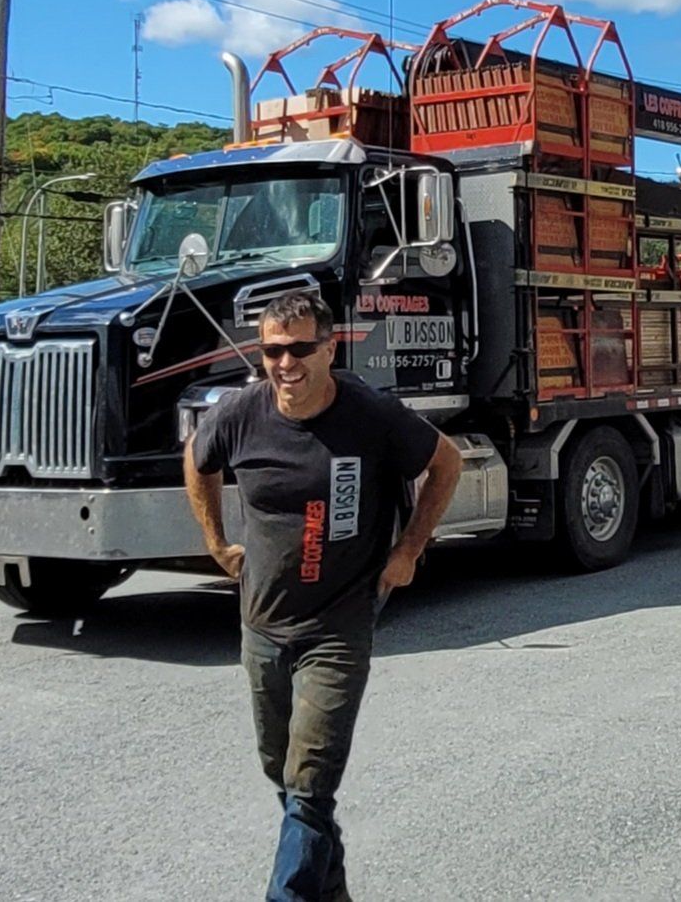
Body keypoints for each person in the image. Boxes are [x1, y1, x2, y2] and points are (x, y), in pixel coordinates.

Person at [183, 290, 463, 902]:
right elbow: (197, 459)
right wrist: (214, 541)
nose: (285, 364)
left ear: (329, 348)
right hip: (261, 626)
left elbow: (447, 462)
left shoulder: (369, 413)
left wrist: (409, 550)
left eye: (299, 350)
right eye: (272, 351)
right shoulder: (241, 411)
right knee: (284, 780)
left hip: (338, 627)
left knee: (309, 787)